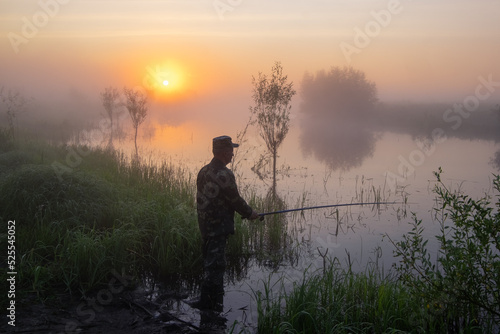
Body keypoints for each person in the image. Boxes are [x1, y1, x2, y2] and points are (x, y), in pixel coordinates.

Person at [193, 135, 259, 311]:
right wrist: (250, 213)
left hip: (205, 227)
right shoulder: (225, 174)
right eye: (230, 151)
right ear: (223, 152)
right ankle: (211, 306)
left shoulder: (203, 171)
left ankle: (207, 303)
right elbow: (235, 200)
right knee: (216, 267)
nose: (232, 154)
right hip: (218, 229)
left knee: (209, 263)